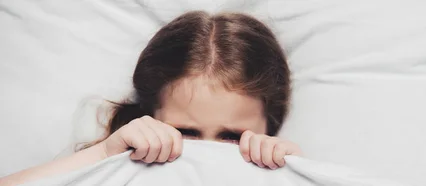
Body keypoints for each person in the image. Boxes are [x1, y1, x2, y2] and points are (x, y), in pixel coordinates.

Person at [0, 10, 301, 185]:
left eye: (233, 137)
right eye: (185, 132)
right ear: (149, 117)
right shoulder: (123, 166)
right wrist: (102, 155)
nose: (208, 151)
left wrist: (296, 174)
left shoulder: (273, 173)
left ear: (269, 127)